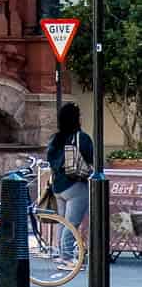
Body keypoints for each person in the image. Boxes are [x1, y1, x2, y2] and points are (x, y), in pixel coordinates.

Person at [46, 100, 92, 257]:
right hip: (75, 185)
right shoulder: (81, 137)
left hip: (58, 186)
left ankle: (60, 253)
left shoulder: (55, 139)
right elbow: (91, 159)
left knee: (63, 222)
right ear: (76, 118)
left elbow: (50, 160)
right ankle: (66, 256)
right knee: (72, 224)